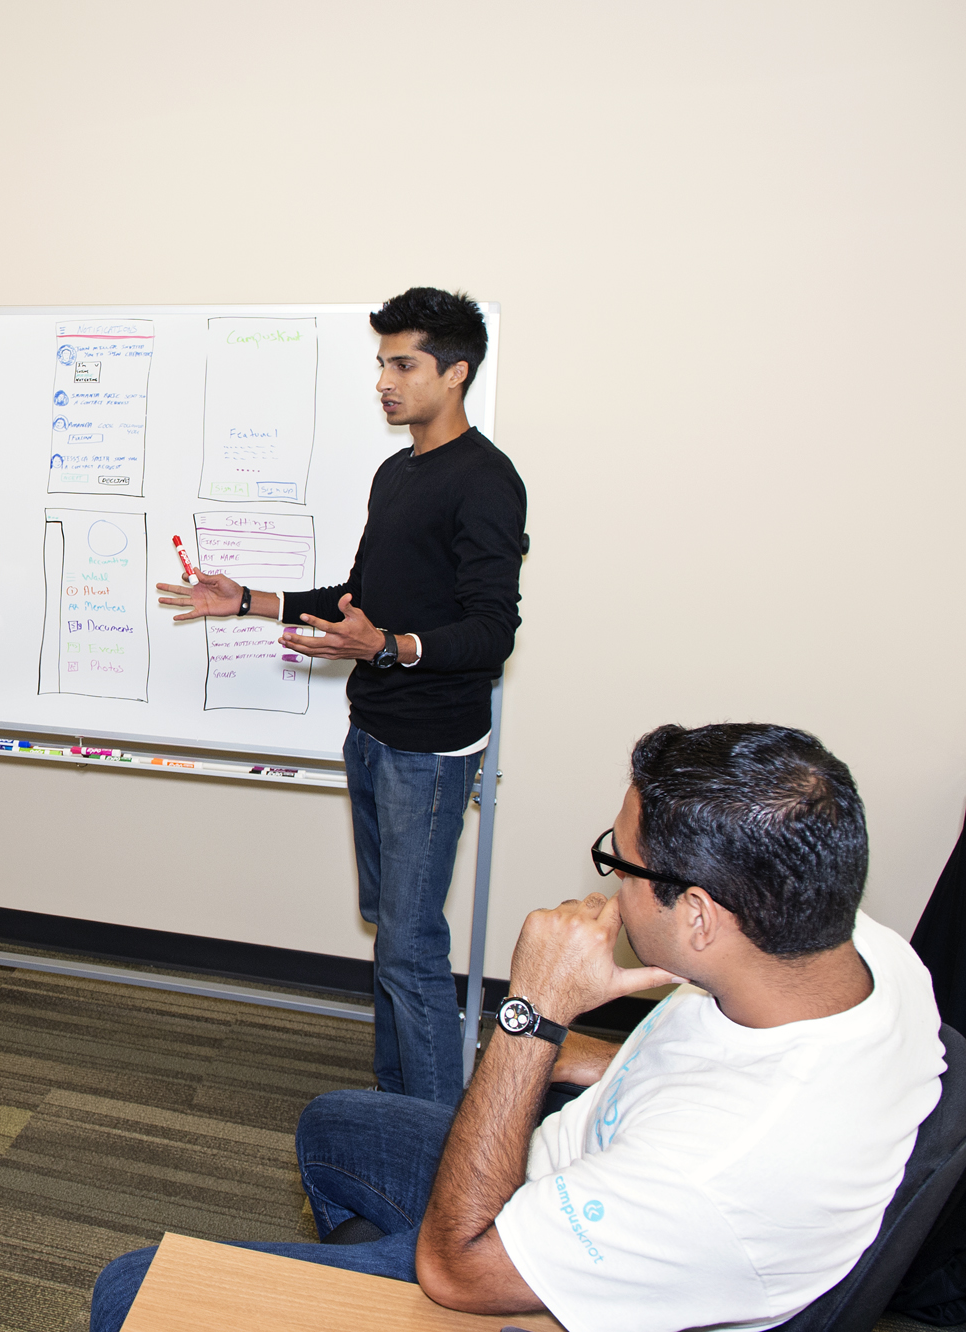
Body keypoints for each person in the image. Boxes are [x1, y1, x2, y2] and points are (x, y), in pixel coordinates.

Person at [91, 722, 945, 1332]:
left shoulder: (716, 1174)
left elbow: (457, 1271)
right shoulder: (864, 951)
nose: (609, 885)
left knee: (133, 1293)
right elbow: (718, 1069)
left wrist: (531, 1019)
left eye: (622, 862)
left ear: (700, 917)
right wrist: (589, 1057)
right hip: (577, 1185)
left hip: (520, 1272)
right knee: (334, 1126)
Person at [158, 287, 526, 1106]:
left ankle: (435, 1144)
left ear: (457, 373)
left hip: (430, 750)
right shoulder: (398, 472)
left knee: (410, 949)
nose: (385, 382)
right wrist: (251, 600)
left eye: (405, 364)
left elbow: (491, 631)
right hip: (374, 730)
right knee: (393, 931)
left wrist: (391, 647)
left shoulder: (487, 482)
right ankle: (396, 1108)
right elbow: (362, 593)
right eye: (382, 364)